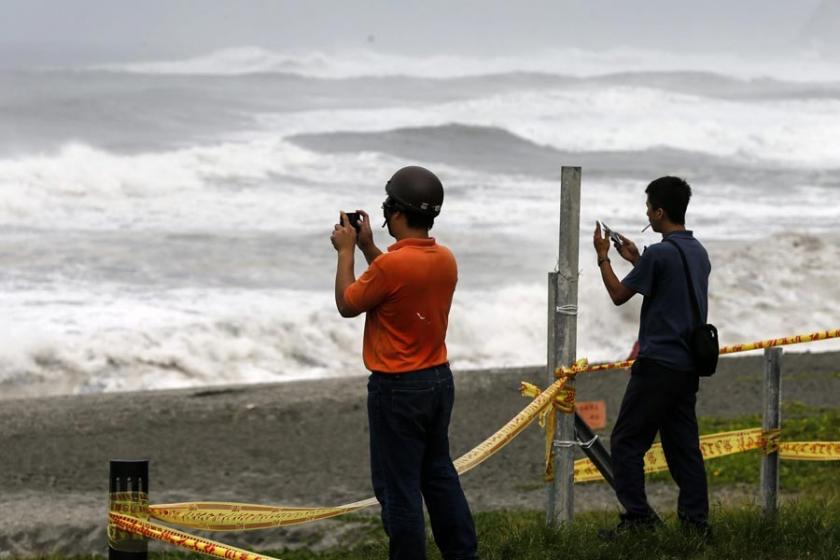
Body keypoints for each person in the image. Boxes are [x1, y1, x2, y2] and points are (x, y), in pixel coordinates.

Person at [330, 166, 478, 560]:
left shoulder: (391, 267)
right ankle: (463, 554)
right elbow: (396, 281)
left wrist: (346, 251)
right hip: (437, 381)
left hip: (396, 388)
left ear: (394, 213)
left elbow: (348, 303)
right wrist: (367, 248)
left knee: (399, 491)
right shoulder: (444, 259)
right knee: (439, 474)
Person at [593, 176, 711, 537]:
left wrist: (603, 257)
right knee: (682, 448)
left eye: (648, 208)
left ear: (659, 212)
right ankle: (695, 525)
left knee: (626, 442)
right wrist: (637, 259)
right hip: (687, 365)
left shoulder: (660, 254)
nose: (646, 214)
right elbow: (670, 285)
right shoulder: (697, 252)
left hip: (657, 364)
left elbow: (617, 295)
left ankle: (637, 520)